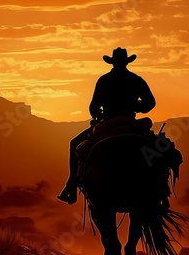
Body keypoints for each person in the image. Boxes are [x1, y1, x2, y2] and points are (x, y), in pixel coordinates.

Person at [57, 47, 156, 204]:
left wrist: (99, 112)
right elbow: (150, 103)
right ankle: (159, 190)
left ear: (113, 63)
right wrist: (135, 106)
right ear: (126, 62)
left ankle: (72, 184)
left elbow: (93, 108)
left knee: (75, 144)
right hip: (130, 121)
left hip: (108, 122)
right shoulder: (136, 80)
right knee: (159, 148)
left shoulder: (104, 80)